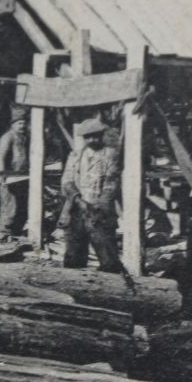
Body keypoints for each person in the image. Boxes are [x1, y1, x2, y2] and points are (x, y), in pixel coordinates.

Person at [57, 116, 128, 279]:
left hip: (99, 213)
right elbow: (66, 181)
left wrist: (99, 207)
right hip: (76, 211)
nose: (93, 139)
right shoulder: (75, 156)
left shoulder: (110, 155)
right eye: (89, 136)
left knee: (108, 258)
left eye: (96, 135)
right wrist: (78, 200)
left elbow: (111, 184)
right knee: (73, 257)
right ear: (84, 138)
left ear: (101, 135)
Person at [0, 105, 31, 235]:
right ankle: (5, 231)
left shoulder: (26, 137)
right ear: (13, 124)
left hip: (24, 176)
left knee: (23, 205)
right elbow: (0, 156)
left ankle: (16, 231)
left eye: (24, 123)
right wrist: (1, 174)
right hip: (10, 177)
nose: (22, 126)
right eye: (19, 123)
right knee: (10, 205)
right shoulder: (8, 137)